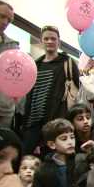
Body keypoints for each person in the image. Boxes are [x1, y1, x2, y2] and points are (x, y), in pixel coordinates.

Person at [23, 26, 80, 155]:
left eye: (53, 39)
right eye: (46, 38)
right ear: (41, 41)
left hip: (57, 121)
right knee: (28, 159)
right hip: (33, 122)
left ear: (58, 42)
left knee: (55, 159)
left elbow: (78, 88)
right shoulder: (35, 65)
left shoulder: (67, 62)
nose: (49, 41)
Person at [0, 1, 19, 129]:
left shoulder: (13, 46)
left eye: (9, 20)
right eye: (1, 16)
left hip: (5, 109)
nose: (5, 22)